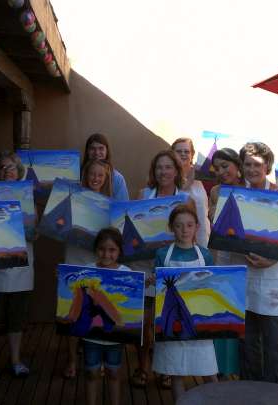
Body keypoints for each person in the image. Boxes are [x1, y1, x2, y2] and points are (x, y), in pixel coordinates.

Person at [131, 150, 193, 389]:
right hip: (145, 266)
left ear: (176, 171)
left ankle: (166, 368)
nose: (163, 172)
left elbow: (191, 233)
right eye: (159, 167)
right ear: (153, 172)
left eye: (168, 167)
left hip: (172, 267)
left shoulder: (185, 199)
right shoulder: (143, 194)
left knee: (167, 320)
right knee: (144, 323)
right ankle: (142, 367)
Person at [238, 141, 278, 386]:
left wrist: (270, 259)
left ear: (268, 166)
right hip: (247, 279)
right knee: (248, 345)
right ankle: (250, 396)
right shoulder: (238, 196)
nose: (251, 169)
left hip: (275, 282)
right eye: (247, 164)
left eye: (257, 164)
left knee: (276, 347)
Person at [152, 204, 218, 401]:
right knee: (176, 372)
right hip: (172, 322)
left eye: (189, 225)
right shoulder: (162, 255)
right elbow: (159, 286)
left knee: (209, 371)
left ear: (197, 227)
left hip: (199, 322)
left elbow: (213, 286)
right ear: (172, 227)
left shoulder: (205, 255)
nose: (184, 230)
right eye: (179, 226)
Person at [0, 150, 33, 381]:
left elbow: (35, 232)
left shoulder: (26, 194)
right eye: (2, 168)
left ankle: (15, 359)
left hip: (21, 265)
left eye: (11, 167)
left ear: (18, 171)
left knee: (16, 316)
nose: (7, 172)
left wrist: (29, 226)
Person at [63, 158, 114, 379]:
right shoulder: (71, 199)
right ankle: (72, 360)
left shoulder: (110, 204)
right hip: (74, 257)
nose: (95, 178)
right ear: (85, 176)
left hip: (98, 262)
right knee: (72, 311)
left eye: (100, 175)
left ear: (105, 179)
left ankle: (98, 361)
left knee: (95, 310)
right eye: (92, 174)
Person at [206, 147, 248, 379]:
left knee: (243, 323)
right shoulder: (215, 192)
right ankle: (222, 373)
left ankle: (244, 373)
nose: (221, 172)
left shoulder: (250, 191)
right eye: (218, 168)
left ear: (237, 167)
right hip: (222, 260)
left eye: (226, 166)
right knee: (223, 319)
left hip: (245, 262)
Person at [82, 228, 131, 405]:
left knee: (114, 373)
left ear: (119, 251)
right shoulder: (86, 270)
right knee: (91, 373)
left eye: (112, 250)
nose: (107, 254)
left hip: (115, 338)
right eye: (102, 249)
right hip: (91, 336)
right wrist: (62, 277)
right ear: (96, 250)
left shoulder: (126, 272)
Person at [171, 137, 211, 247]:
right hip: (177, 236)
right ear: (172, 154)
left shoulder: (200, 173)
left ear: (192, 155)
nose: (183, 154)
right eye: (179, 151)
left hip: (201, 235)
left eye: (187, 151)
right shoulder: (169, 175)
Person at [83, 133, 129, 201]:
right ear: (87, 151)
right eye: (92, 148)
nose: (97, 152)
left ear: (107, 151)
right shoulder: (79, 174)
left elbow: (123, 207)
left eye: (101, 148)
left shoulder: (118, 179)